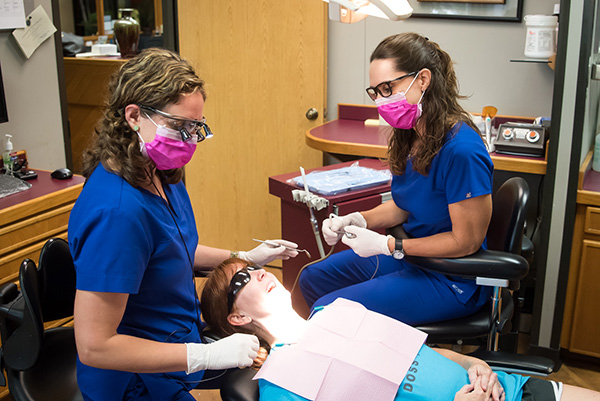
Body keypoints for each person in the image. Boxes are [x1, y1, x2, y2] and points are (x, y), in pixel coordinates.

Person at [68, 48, 298, 400]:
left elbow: (171, 251)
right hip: (132, 381)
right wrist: (206, 354)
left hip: (175, 349)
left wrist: (244, 256)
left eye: (196, 127)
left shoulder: (162, 174)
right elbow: (95, 347)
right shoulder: (116, 214)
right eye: (179, 127)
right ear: (134, 116)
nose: (190, 140)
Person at [298, 32, 495, 325]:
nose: (380, 100)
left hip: (451, 278)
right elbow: (406, 204)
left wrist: (388, 246)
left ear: (423, 80)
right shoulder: (413, 136)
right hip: (414, 258)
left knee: (330, 313)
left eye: (388, 88)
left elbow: (465, 242)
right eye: (374, 91)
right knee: (312, 279)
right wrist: (358, 219)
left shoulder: (462, 151)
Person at [201, 258, 600, 401]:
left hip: (504, 389)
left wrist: (473, 364)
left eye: (254, 269)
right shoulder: (279, 384)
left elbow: (422, 352)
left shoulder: (335, 309)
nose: (257, 276)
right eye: (242, 283)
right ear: (236, 319)